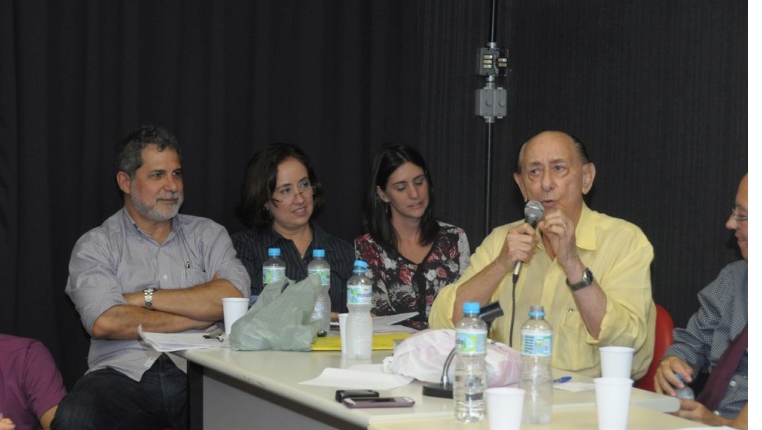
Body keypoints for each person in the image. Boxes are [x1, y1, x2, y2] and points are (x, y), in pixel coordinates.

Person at [48, 125, 251, 430]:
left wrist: (143, 297)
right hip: (124, 375)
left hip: (205, 371)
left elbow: (233, 297)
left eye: (176, 173)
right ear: (125, 181)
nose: (172, 186)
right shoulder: (96, 245)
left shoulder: (209, 235)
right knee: (73, 422)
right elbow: (106, 321)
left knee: (270, 422)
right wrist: (199, 312)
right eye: (157, 175)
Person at [430, 130, 655, 378]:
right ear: (522, 185)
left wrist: (572, 264)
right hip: (513, 391)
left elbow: (628, 343)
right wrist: (501, 265)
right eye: (534, 172)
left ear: (586, 178)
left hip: (590, 400)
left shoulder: (625, 241)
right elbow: (443, 323)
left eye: (559, 169)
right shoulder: (502, 240)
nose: (546, 184)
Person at [654, 174, 748, 430]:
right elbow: (693, 342)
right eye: (734, 213)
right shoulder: (733, 278)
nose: (730, 224)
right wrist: (673, 362)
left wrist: (718, 424)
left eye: (743, 216)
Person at [354, 143, 470, 330]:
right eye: (401, 188)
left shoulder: (454, 238)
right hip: (392, 351)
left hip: (447, 349)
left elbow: (467, 305)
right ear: (383, 194)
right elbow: (375, 317)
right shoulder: (368, 247)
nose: (415, 194)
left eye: (419, 182)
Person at [231, 143, 354, 318]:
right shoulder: (244, 248)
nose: (300, 198)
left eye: (304, 185)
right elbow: (247, 314)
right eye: (286, 190)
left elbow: (358, 314)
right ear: (264, 201)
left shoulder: (342, 251)